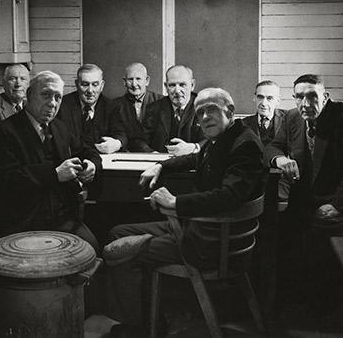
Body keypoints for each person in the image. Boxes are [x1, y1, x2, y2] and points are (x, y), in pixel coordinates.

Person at [104, 88, 266, 334]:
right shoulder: (225, 138)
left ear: (230, 111)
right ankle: (149, 320)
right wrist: (161, 165)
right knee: (119, 232)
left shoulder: (245, 145)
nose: (204, 118)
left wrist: (174, 203)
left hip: (211, 244)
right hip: (205, 230)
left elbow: (229, 196)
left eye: (211, 110)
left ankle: (139, 328)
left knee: (121, 251)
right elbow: (197, 159)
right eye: (199, 112)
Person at [265, 74, 343, 313]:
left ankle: (326, 309)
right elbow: (273, 146)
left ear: (324, 97)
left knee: (319, 241)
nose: (305, 103)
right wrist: (280, 158)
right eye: (300, 97)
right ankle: (293, 305)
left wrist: (337, 205)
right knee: (280, 234)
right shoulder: (293, 117)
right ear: (294, 99)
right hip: (307, 197)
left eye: (312, 96)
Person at [0, 70, 102, 251]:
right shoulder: (4, 132)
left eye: (58, 97)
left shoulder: (59, 127)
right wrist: (55, 174)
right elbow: (6, 181)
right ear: (29, 95)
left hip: (62, 216)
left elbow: (87, 151)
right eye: (46, 95)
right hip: (25, 221)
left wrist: (92, 165)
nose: (52, 103)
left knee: (93, 248)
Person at [131, 65, 205, 156]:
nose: (177, 90)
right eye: (172, 85)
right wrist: (153, 154)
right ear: (166, 86)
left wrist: (194, 147)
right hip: (161, 164)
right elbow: (139, 140)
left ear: (192, 85)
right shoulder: (154, 108)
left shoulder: (203, 107)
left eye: (182, 85)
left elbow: (213, 139)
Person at [57, 64, 127, 154]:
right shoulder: (62, 105)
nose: (90, 90)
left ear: (102, 86)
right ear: (77, 84)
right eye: (85, 84)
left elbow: (121, 134)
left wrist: (117, 144)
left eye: (95, 84)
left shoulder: (111, 107)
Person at [111, 62, 163, 151]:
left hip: (158, 155)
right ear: (124, 82)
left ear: (147, 80)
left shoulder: (161, 102)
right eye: (130, 79)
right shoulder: (115, 105)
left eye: (138, 79)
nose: (134, 84)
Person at [242, 80, 285, 146]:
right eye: (260, 97)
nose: (264, 103)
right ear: (254, 98)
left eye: (269, 98)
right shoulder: (244, 124)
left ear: (278, 101)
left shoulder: (288, 120)